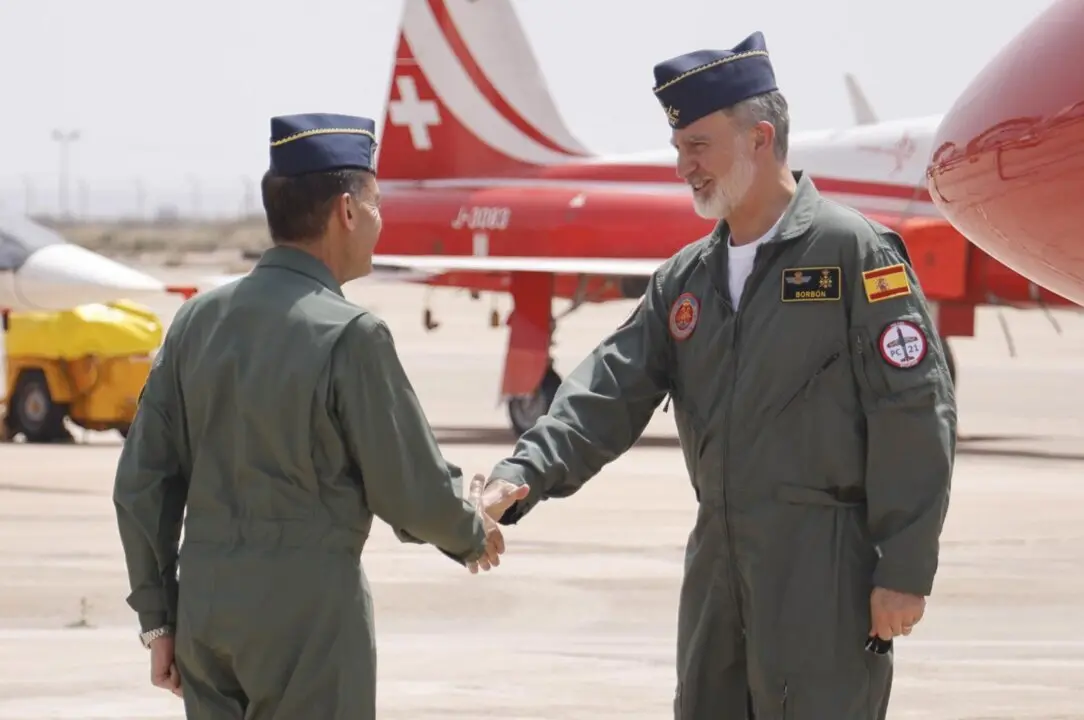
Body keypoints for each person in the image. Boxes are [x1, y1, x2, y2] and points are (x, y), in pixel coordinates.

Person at [477, 32, 956, 719]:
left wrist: (905, 570)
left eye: (697, 146)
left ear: (759, 138)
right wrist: (520, 473)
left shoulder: (855, 254)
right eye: (678, 149)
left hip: (821, 569)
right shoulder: (686, 278)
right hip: (717, 566)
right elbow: (608, 388)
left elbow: (914, 412)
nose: (683, 167)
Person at [112, 112, 528, 720]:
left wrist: (157, 619)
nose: (381, 221)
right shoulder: (352, 334)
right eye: (377, 203)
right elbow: (407, 486)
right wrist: (470, 528)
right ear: (347, 211)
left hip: (205, 614)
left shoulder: (196, 321)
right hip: (307, 620)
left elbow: (141, 483)